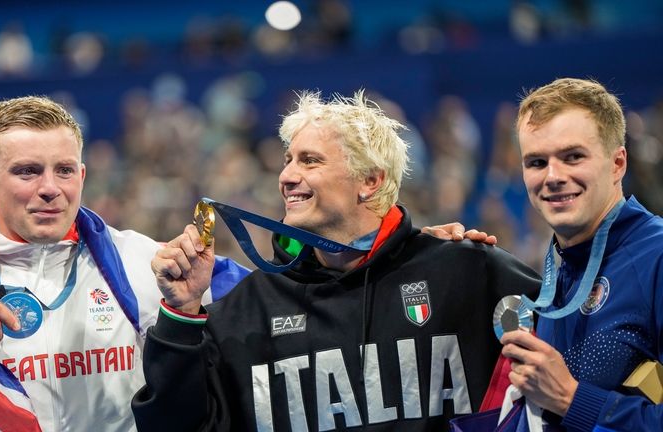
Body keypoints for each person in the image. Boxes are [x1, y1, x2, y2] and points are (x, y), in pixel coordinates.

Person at [131, 91, 541, 431]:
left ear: (370, 181)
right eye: (288, 160)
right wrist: (181, 314)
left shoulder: (465, 273)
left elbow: (570, 357)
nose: (287, 176)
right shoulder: (248, 310)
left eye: (310, 161)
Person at [0, 96, 247, 431]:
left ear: (81, 176)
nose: (50, 188)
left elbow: (268, 308)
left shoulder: (145, 263)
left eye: (63, 171)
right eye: (28, 171)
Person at [499, 78, 663, 430]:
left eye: (573, 157)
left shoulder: (657, 257)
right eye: (537, 162)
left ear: (618, 163)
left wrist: (571, 399)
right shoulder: (559, 275)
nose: (553, 176)